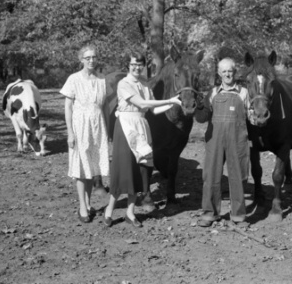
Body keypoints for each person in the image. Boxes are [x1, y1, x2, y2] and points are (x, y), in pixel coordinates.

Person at [103, 52, 181, 228]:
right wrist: (169, 99)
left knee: (141, 169)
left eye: (140, 64)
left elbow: (154, 110)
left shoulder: (145, 86)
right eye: (133, 64)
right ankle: (109, 209)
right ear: (128, 66)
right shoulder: (124, 84)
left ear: (144, 66)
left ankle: (130, 213)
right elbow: (143, 104)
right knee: (123, 167)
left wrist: (174, 103)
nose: (136, 67)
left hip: (142, 126)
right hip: (125, 126)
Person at [195, 57, 250, 227]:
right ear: (219, 73)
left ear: (235, 72)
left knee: (238, 176)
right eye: (224, 71)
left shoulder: (244, 93)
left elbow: (252, 117)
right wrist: (198, 105)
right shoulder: (212, 93)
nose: (227, 74)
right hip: (215, 140)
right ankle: (209, 213)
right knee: (211, 176)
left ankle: (239, 216)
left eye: (230, 71)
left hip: (237, 140)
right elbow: (202, 118)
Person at [60, 45, 110, 224]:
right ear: (81, 59)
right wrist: (70, 133)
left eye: (94, 57)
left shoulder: (102, 80)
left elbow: (103, 107)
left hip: (98, 127)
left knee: (93, 168)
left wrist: (107, 130)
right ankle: (82, 206)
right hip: (80, 127)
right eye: (87, 57)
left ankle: (88, 203)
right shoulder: (73, 79)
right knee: (81, 169)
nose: (91, 60)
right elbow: (68, 107)